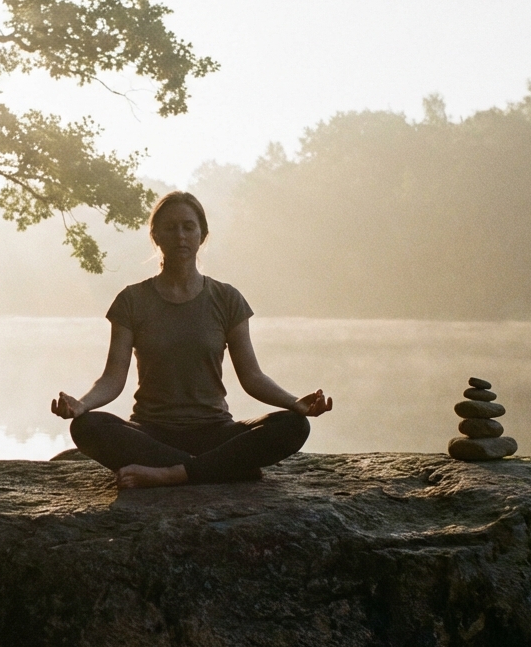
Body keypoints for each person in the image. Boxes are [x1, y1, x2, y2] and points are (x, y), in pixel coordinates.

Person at [51, 191, 333, 489]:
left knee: (293, 426)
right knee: (88, 426)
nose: (180, 236)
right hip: (151, 433)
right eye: (170, 228)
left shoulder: (227, 299)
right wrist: (81, 405)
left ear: (202, 234)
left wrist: (294, 403)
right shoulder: (131, 300)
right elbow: (112, 378)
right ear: (156, 236)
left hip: (215, 431)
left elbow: (252, 376)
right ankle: (222, 468)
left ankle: (174, 474)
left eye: (188, 227)